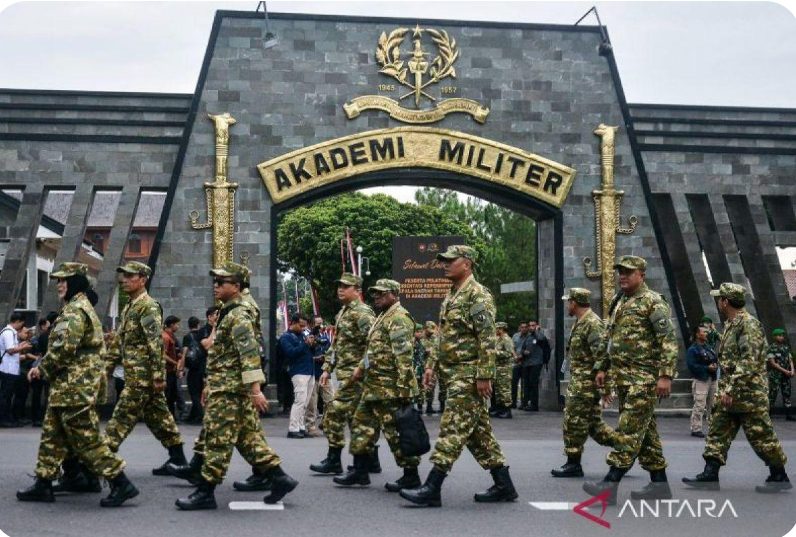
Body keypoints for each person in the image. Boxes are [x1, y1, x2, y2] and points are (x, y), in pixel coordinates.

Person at [175, 262, 298, 510]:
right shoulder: (228, 311)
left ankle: (205, 491)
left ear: (237, 286)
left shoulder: (239, 315)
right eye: (215, 282)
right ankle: (279, 478)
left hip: (230, 391)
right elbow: (222, 355)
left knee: (217, 441)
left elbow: (249, 354)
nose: (216, 286)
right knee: (247, 439)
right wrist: (210, 383)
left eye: (222, 282)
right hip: (224, 386)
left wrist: (255, 390)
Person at [401, 245, 517, 507]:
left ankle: (432, 487)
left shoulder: (478, 295)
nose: (445, 264)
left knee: (452, 428)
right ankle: (504, 485)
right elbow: (444, 336)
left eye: (450, 260)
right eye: (444, 260)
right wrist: (431, 365)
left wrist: (484, 374)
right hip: (453, 373)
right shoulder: (452, 294)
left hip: (468, 374)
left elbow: (487, 337)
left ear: (467, 263)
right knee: (478, 435)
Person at [16, 262, 138, 507]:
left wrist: (41, 368)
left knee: (86, 438)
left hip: (74, 387)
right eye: (58, 280)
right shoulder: (78, 307)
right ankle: (44, 483)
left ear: (76, 283)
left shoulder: (74, 310)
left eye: (64, 280)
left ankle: (120, 482)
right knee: (52, 436)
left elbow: (63, 348)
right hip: (69, 387)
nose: (59, 285)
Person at [583, 255, 677, 504]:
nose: (622, 276)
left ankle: (609, 485)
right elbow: (610, 337)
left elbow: (667, 339)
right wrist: (602, 367)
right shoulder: (620, 300)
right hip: (625, 379)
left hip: (644, 380)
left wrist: (665, 375)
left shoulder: (653, 302)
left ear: (641, 275)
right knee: (646, 434)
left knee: (628, 431)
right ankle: (660, 485)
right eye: (620, 272)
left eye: (628, 272)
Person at [683, 283, 792, 493]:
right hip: (729, 392)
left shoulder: (748, 325)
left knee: (761, 435)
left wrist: (731, 389)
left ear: (725, 302)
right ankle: (710, 473)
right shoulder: (732, 324)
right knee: (718, 431)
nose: (718, 302)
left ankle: (779, 475)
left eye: (720, 298)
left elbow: (749, 362)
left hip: (749, 394)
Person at [334, 279, 421, 491]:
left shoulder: (399, 317)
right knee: (360, 425)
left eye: (382, 293)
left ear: (394, 294)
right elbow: (372, 350)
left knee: (395, 433)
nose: (377, 297)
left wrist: (404, 390)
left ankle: (411, 475)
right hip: (373, 386)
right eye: (375, 294)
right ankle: (360, 471)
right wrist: (360, 369)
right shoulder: (382, 316)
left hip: (390, 389)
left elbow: (403, 357)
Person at [104, 261, 187, 475]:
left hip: (142, 378)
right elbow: (119, 341)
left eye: (130, 276)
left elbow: (155, 343)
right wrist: (107, 367)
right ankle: (178, 459)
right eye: (123, 276)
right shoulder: (130, 306)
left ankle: (98, 464)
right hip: (136, 375)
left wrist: (159, 376)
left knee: (119, 421)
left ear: (142, 280)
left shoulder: (148, 306)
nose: (124, 280)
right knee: (160, 418)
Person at [310, 273, 376, 476]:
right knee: (356, 419)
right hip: (345, 374)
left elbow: (374, 345)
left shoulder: (363, 313)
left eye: (345, 286)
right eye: (339, 286)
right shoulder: (343, 313)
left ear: (358, 291)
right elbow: (336, 345)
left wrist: (361, 368)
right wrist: (327, 369)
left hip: (357, 377)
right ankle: (368, 461)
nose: (340, 289)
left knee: (335, 414)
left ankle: (337, 461)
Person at [552, 288, 615, 478]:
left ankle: (573, 463)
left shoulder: (592, 323)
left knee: (573, 422)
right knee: (595, 427)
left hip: (586, 386)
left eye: (568, 302)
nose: (567, 306)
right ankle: (628, 447)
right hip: (580, 382)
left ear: (574, 303)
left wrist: (606, 389)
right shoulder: (581, 322)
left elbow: (602, 357)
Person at [278, 314, 315, 438]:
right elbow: (290, 353)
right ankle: (293, 428)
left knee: (305, 402)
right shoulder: (286, 337)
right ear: (293, 323)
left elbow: (309, 351)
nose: (303, 328)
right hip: (298, 371)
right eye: (301, 325)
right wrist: (305, 344)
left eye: (304, 326)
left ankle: (301, 426)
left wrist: (312, 344)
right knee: (299, 400)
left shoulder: (302, 335)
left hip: (309, 370)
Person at [0, 312, 32, 427]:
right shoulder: (8, 333)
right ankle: (3, 419)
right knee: (5, 395)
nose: (22, 327)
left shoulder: (11, 332)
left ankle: (7, 418)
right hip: (7, 369)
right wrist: (23, 347)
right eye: (22, 324)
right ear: (18, 322)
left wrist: (20, 346)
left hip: (11, 368)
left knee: (8, 395)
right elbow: (10, 350)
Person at [687, 325, 719, 437]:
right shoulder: (693, 349)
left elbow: (715, 359)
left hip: (712, 379)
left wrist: (715, 366)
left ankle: (713, 428)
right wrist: (706, 368)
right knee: (700, 404)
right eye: (704, 332)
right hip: (701, 379)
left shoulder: (708, 347)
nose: (706, 334)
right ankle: (696, 428)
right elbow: (692, 366)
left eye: (707, 332)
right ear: (697, 334)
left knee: (713, 405)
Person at [305, 316, 331, 436]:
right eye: (317, 324)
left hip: (324, 373)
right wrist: (315, 358)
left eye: (321, 323)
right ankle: (310, 426)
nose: (320, 326)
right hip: (312, 373)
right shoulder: (307, 337)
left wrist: (324, 358)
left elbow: (330, 352)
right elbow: (305, 354)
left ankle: (325, 423)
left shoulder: (325, 337)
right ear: (311, 324)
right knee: (312, 402)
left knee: (330, 400)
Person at [29, 316, 55, 427]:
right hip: (50, 368)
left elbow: (40, 353)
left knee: (37, 393)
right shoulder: (54, 336)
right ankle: (47, 418)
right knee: (48, 394)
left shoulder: (42, 336)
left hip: (40, 366)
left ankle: (36, 418)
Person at [181, 315, 207, 424]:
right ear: (198, 324)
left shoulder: (187, 337)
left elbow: (184, 353)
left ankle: (200, 415)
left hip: (193, 369)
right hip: (203, 368)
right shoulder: (203, 335)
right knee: (199, 392)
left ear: (189, 325)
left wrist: (181, 368)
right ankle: (192, 416)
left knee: (194, 394)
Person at [519, 320, 549, 411]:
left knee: (533, 383)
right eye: (530, 326)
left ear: (537, 326)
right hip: (527, 363)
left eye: (533, 325)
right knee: (526, 384)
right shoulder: (528, 337)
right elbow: (522, 349)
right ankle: (525, 403)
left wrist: (537, 330)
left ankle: (534, 405)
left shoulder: (540, 335)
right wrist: (524, 352)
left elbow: (540, 339)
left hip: (536, 363)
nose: (531, 327)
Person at [767, 328, 794, 421]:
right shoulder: (771, 348)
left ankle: (789, 415)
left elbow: (790, 360)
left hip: (786, 376)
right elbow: (772, 363)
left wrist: (792, 370)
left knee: (787, 394)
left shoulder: (786, 347)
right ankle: (768, 415)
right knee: (772, 394)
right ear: (774, 337)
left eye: (782, 335)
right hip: (775, 376)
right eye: (779, 335)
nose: (781, 337)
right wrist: (785, 371)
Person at [490, 322, 514, 419]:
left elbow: (509, 353)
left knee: (504, 390)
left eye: (497, 329)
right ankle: (499, 409)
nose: (496, 330)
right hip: (497, 368)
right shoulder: (498, 339)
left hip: (504, 369)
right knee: (498, 390)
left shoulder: (506, 339)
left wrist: (495, 353)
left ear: (502, 329)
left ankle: (507, 410)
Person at [163, 315, 184, 421]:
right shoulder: (166, 337)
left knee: (172, 396)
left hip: (172, 371)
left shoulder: (172, 337)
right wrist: (175, 363)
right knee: (168, 396)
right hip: (167, 371)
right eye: (177, 324)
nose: (178, 326)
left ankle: (171, 416)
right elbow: (163, 355)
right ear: (172, 325)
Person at [421, 321, 444, 415]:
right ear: (425, 329)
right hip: (428, 366)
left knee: (443, 386)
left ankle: (442, 405)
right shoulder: (422, 339)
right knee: (429, 387)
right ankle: (428, 406)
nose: (431, 333)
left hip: (439, 365)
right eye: (429, 331)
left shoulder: (436, 338)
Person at [510, 322, 528, 409]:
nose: (523, 329)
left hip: (525, 362)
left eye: (525, 327)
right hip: (516, 362)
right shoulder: (515, 336)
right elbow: (512, 347)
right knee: (514, 383)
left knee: (524, 384)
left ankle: (523, 403)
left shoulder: (529, 337)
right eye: (522, 327)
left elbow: (529, 349)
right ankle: (513, 402)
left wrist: (521, 357)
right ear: (519, 328)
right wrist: (515, 357)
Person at [412, 325, 427, 412]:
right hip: (414, 369)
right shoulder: (412, 343)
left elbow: (422, 356)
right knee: (414, 387)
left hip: (420, 369)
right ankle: (412, 407)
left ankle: (420, 406)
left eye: (421, 332)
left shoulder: (421, 343)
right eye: (418, 332)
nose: (421, 334)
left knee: (421, 388)